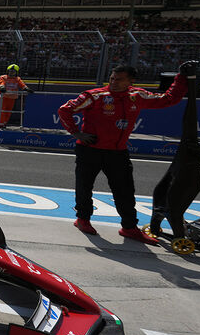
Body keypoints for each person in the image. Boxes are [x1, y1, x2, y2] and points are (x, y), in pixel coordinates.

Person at [57, 64, 190, 244]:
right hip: (90, 149)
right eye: (112, 78)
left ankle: (129, 227)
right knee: (84, 186)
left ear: (131, 81)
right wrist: (76, 133)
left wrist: (180, 78)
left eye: (119, 79)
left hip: (118, 152)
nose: (114, 82)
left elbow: (168, 99)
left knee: (125, 191)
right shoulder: (95, 96)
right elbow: (64, 110)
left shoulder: (137, 96)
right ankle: (83, 219)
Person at [0, 63, 31, 128]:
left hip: (12, 97)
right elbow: (2, 83)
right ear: (8, 71)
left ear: (16, 72)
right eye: (10, 71)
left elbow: (22, 85)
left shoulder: (17, 79)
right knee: (2, 110)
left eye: (13, 71)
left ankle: (4, 123)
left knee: (8, 111)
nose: (12, 73)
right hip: (3, 97)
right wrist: (2, 88)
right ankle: (0, 124)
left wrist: (27, 89)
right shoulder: (3, 77)